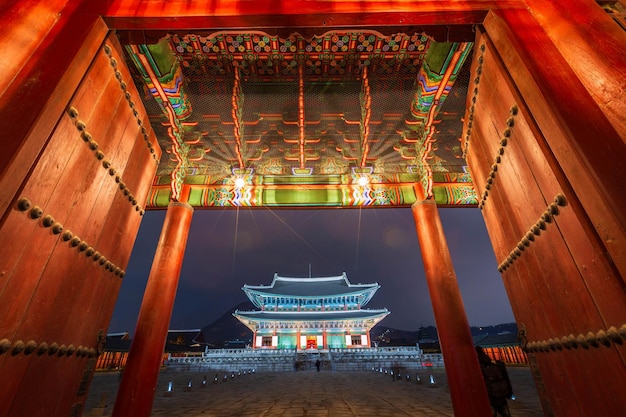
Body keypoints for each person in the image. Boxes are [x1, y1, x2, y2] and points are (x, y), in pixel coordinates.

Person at [476, 346, 512, 417]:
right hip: (501, 392)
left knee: (492, 411)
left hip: (490, 394)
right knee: (503, 411)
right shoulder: (494, 365)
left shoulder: (479, 367)